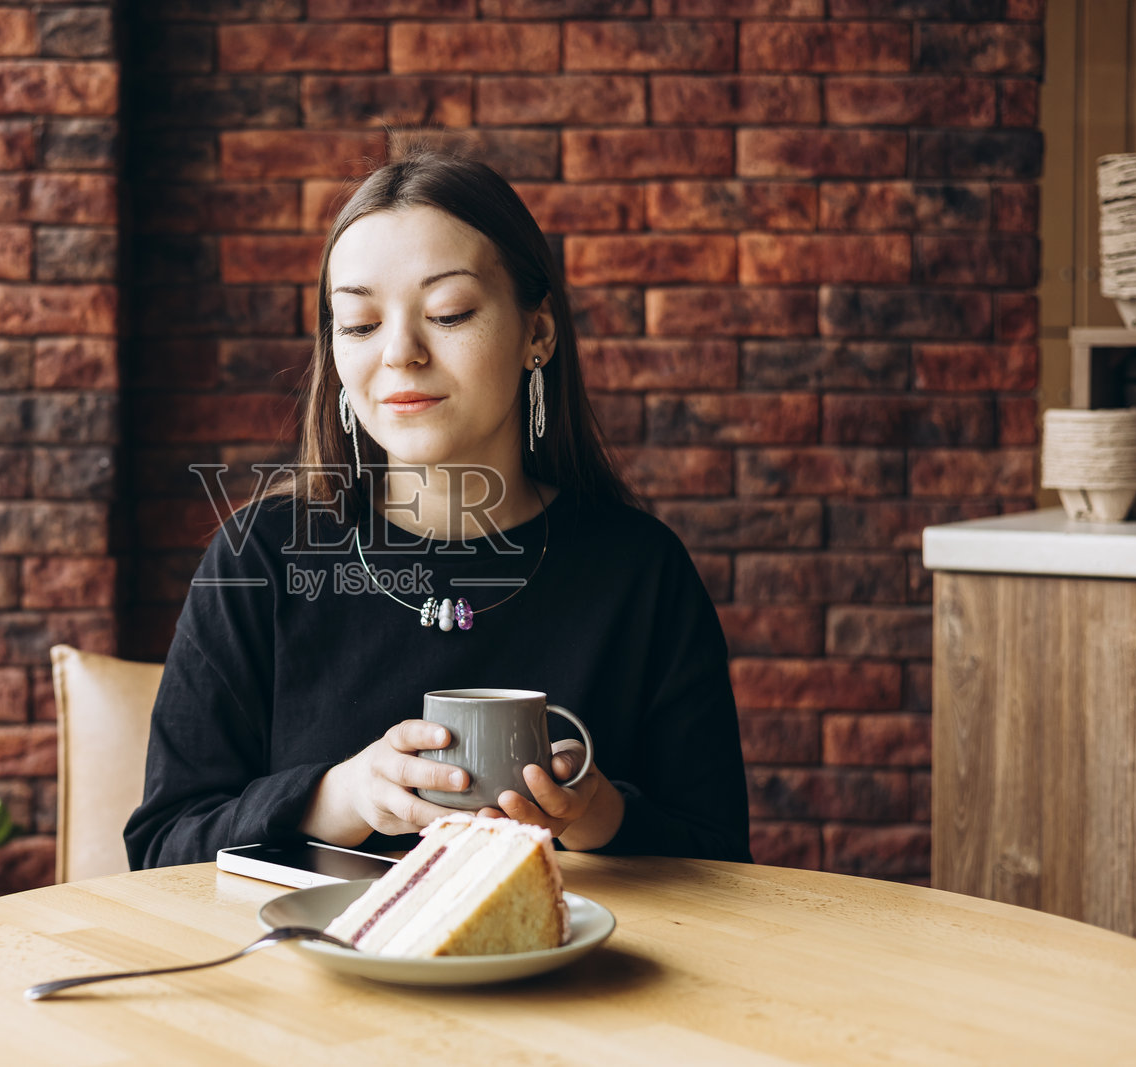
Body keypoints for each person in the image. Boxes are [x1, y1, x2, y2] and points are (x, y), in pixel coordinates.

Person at [125, 151, 751, 870]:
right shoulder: (260, 556)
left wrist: (599, 813)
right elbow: (161, 849)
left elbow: (723, 860)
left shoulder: (641, 571)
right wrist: (338, 797)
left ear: (538, 333)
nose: (400, 352)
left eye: (449, 313)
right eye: (359, 323)